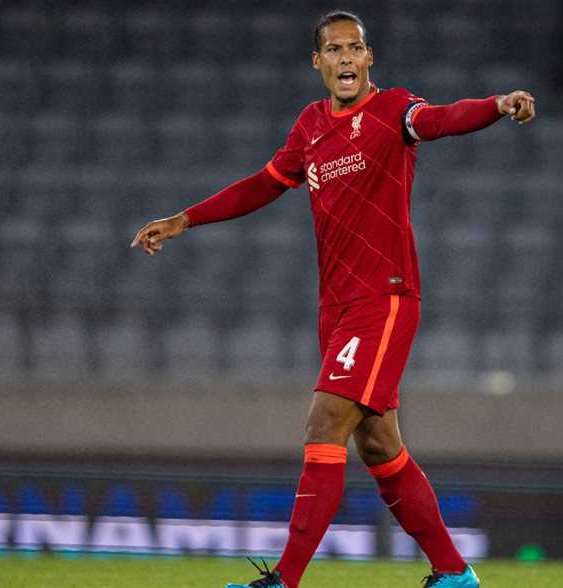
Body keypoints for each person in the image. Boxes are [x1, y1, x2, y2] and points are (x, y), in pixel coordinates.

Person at [131, 10, 535, 588]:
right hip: (337, 307)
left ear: (369, 57)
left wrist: (496, 105)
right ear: (317, 62)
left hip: (384, 297)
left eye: (355, 48)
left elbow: (442, 119)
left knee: (325, 422)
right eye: (334, 49)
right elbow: (263, 185)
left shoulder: (393, 110)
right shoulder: (311, 125)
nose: (346, 57)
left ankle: (285, 579)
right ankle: (453, 574)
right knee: (379, 445)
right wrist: (184, 219)